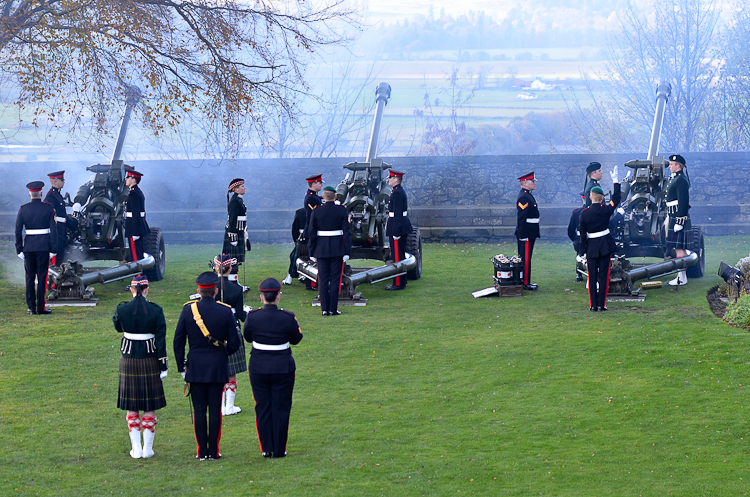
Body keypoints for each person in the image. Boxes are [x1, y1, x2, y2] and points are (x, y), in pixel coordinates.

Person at [173, 272, 241, 460]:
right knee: (215, 409)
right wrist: (221, 354)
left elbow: (178, 341)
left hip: (195, 367)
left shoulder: (188, 311)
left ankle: (202, 451)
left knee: (199, 410)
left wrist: (181, 366)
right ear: (216, 291)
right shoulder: (225, 311)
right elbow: (235, 343)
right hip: (217, 367)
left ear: (198, 291)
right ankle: (213, 451)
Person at [243, 277, 304, 458]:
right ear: (278, 297)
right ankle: (279, 449)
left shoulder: (252, 317)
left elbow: (247, 337)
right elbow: (296, 339)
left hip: (259, 367)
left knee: (262, 407)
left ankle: (266, 448)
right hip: (282, 368)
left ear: (262, 298)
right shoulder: (288, 317)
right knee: (281, 407)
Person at [113, 274, 168, 459]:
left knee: (132, 404)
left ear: (132, 289)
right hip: (150, 359)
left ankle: (136, 449)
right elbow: (160, 340)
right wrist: (163, 365)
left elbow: (118, 327)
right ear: (146, 289)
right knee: (149, 404)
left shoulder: (122, 309)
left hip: (128, 359)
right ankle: (147, 449)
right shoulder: (156, 310)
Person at [578, 166, 621, 311]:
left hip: (591, 247)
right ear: (602, 198)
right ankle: (602, 305)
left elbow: (582, 235)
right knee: (603, 276)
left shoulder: (584, 214)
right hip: (605, 246)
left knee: (592, 277)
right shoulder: (606, 210)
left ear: (590, 197)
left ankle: (593, 305)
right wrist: (616, 182)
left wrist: (582, 251)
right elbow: (616, 199)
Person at [214, 254, 249, 416]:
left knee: (218, 370)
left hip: (213, 330)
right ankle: (229, 406)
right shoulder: (237, 289)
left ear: (216, 268)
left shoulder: (210, 287)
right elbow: (241, 315)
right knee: (231, 370)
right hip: (232, 330)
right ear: (230, 269)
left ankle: (220, 407)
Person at [308, 186, 352, 315]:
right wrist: (347, 251)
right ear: (336, 196)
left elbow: (312, 233)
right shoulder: (342, 210)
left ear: (323, 197)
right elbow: (347, 233)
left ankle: (324, 309)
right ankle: (333, 309)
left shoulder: (316, 211)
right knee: (335, 280)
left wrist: (312, 252)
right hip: (337, 249)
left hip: (321, 249)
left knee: (322, 279)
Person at [15, 181, 57, 315]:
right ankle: (41, 307)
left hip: (28, 247)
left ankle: (31, 307)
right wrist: (53, 249)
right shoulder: (49, 208)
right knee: (42, 277)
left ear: (29, 193)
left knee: (29, 277)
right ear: (41, 193)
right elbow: (53, 231)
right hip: (43, 246)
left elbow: (17, 231)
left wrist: (19, 249)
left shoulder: (23, 209)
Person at [665, 154, 692, 286]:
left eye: (671, 164)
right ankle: (680, 276)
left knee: (680, 249)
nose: (669, 166)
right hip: (674, 216)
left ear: (678, 166)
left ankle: (681, 277)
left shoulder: (681, 180)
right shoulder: (676, 178)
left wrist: (679, 221)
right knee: (678, 249)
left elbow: (684, 202)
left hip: (678, 217)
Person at [385, 169, 413, 291]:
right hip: (399, 224)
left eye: (390, 178)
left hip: (397, 227)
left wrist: (396, 232)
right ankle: (401, 281)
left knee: (397, 256)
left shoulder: (397, 193)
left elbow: (397, 214)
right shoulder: (397, 191)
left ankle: (398, 283)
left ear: (396, 179)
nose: (389, 180)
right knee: (398, 255)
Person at [43, 171, 76, 265]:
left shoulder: (57, 195)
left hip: (61, 231)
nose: (63, 182)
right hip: (57, 231)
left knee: (61, 256)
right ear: (55, 182)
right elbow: (50, 214)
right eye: (62, 180)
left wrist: (73, 222)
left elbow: (63, 216)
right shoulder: (51, 197)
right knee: (57, 257)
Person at [223, 178, 251, 287]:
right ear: (236, 189)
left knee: (236, 260)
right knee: (233, 260)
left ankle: (236, 283)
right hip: (234, 232)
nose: (244, 188)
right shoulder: (235, 201)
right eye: (242, 186)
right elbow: (232, 219)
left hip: (239, 231)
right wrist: (232, 236)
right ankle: (233, 284)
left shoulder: (238, 199)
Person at [515, 172, 540, 291]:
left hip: (531, 231)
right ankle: (525, 282)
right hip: (527, 232)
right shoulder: (524, 197)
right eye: (532, 181)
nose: (534, 183)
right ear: (525, 183)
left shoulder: (528, 195)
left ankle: (526, 281)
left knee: (527, 257)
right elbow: (521, 217)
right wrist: (523, 235)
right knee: (525, 258)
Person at [300, 174, 323, 290]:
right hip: (312, 230)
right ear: (314, 184)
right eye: (320, 183)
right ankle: (311, 284)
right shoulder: (310, 198)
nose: (321, 184)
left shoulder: (314, 196)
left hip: (314, 229)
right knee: (312, 257)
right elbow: (317, 212)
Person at [124, 169, 150, 262]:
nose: (126, 179)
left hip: (133, 228)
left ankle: (139, 275)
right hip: (136, 226)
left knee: (135, 255)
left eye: (128, 177)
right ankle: (140, 274)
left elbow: (136, 214)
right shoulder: (136, 192)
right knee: (137, 252)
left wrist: (135, 231)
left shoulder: (133, 194)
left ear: (133, 180)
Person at [283, 207, 306, 285]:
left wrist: (296, 240)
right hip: (316, 240)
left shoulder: (300, 212)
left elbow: (295, 229)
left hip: (303, 240)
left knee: (294, 257)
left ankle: (290, 276)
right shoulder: (319, 211)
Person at [567, 191, 586, 282]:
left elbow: (571, 231)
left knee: (580, 254)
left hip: (580, 239)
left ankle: (579, 273)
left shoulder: (577, 212)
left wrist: (576, 239)